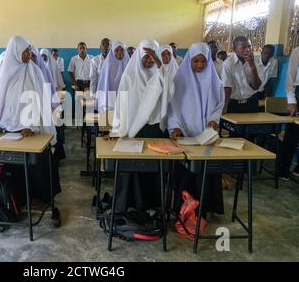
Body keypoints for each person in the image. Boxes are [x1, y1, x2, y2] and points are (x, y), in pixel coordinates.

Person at [111, 39, 176, 216]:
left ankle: (152, 204)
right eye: (145, 56)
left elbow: (170, 91)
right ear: (138, 56)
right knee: (133, 170)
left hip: (154, 129)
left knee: (153, 169)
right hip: (133, 130)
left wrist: (158, 61)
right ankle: (131, 204)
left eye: (152, 57)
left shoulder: (160, 74)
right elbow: (120, 104)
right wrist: (117, 129)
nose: (149, 61)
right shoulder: (129, 75)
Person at [0, 36, 61, 202]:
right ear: (15, 52)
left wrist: (32, 125)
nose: (28, 54)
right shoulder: (6, 71)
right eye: (25, 51)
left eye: (29, 51)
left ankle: (42, 197)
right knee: (16, 166)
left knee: (36, 165)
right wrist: (0, 123)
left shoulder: (34, 70)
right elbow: (3, 101)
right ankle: (21, 199)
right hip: (12, 129)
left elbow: (38, 100)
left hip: (33, 127)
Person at [168, 43, 225, 215]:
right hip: (185, 134)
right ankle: (182, 207)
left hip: (206, 136)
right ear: (189, 61)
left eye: (203, 61)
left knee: (207, 171)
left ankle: (205, 208)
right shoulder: (179, 79)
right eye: (195, 61)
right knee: (186, 172)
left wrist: (214, 120)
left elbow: (219, 104)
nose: (199, 65)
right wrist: (175, 126)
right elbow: (173, 107)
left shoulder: (215, 81)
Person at [221, 37, 262, 114]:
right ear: (234, 49)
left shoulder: (255, 62)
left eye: (249, 46)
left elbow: (256, 86)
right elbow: (227, 87)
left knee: (251, 125)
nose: (247, 50)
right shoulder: (228, 63)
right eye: (243, 47)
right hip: (233, 103)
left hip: (251, 102)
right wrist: (224, 107)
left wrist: (252, 66)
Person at [279, 46, 299, 181]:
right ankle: (283, 170)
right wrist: (291, 101)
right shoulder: (297, 51)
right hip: (298, 94)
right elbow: (290, 79)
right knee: (292, 134)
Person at [96, 41, 129, 112]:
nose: (119, 52)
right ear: (112, 51)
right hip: (110, 96)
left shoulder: (129, 64)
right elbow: (105, 85)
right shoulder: (108, 65)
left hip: (125, 96)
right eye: (116, 50)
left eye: (122, 50)